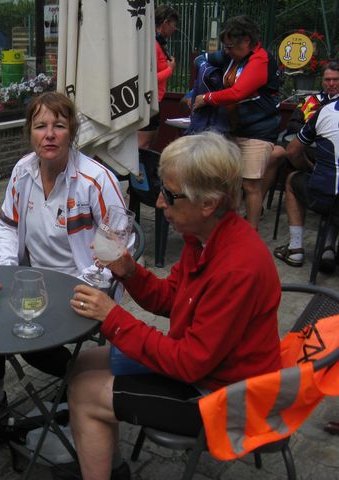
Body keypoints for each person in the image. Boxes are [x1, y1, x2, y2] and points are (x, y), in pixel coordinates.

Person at [66, 132, 282, 480]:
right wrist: (131, 273)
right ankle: (107, 462)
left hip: (227, 398)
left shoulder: (237, 266)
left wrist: (112, 317)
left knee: (84, 392)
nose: (160, 202)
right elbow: (170, 299)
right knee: (85, 362)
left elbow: (188, 363)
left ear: (208, 203)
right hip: (208, 371)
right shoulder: (205, 237)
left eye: (169, 193)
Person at [0, 91, 127, 438]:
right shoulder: (23, 171)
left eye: (59, 126)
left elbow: (119, 244)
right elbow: (8, 224)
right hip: (32, 279)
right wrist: (4, 267)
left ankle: (76, 380)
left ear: (72, 132)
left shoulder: (96, 181)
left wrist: (92, 280)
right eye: (40, 126)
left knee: (30, 340)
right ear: (29, 133)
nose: (49, 134)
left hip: (83, 283)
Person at [192, 15, 281, 230]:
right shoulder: (232, 56)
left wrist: (207, 98)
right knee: (229, 182)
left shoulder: (261, 59)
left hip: (258, 131)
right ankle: (229, 227)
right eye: (226, 47)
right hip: (232, 127)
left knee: (250, 184)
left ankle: (251, 232)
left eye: (232, 46)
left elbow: (238, 92)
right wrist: (205, 69)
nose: (228, 51)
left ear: (247, 41)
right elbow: (200, 59)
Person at [265, 62, 339, 271]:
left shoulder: (325, 112)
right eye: (328, 80)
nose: (331, 84)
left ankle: (299, 248)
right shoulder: (312, 101)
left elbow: (294, 146)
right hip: (311, 157)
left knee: (312, 183)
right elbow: (293, 125)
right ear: (322, 81)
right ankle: (328, 246)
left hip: (320, 175)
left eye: (335, 80)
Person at [138, 5, 178, 149]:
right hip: (148, 100)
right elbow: (148, 79)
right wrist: (170, 69)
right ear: (166, 23)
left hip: (155, 100)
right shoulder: (153, 45)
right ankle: (138, 172)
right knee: (143, 143)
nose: (174, 29)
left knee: (150, 140)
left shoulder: (158, 43)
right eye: (174, 25)